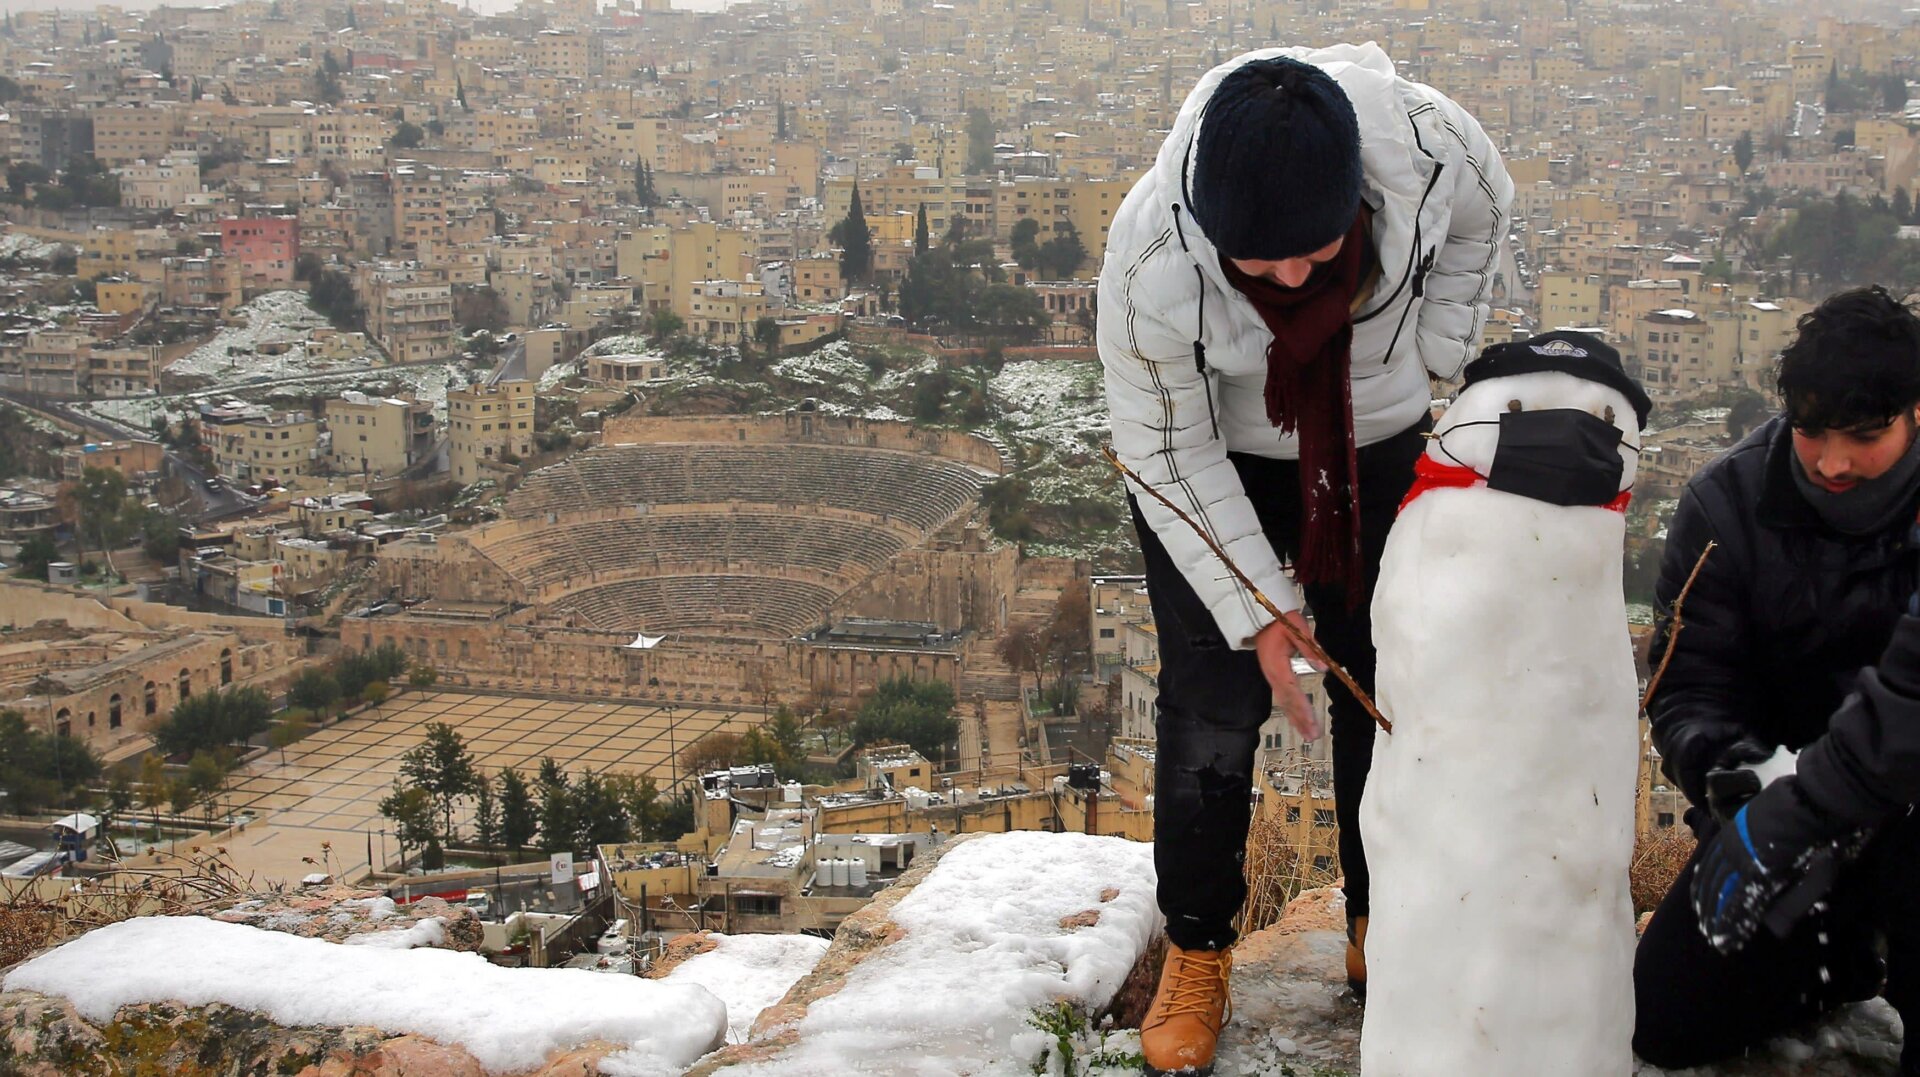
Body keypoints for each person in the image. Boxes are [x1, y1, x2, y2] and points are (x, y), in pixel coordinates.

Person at [1097, 43, 1511, 1075]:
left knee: (1387, 686)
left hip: (1373, 446)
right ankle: (1197, 948)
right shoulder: (1154, 252)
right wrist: (1263, 612)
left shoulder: (1431, 146)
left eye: (1316, 253)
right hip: (1218, 458)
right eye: (1261, 261)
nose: (1291, 278)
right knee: (1210, 704)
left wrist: (1436, 354)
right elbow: (1163, 445)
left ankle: (1383, 926)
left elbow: (1484, 211)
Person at [1634, 286, 1920, 1074]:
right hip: (1782, 825)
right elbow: (1686, 683)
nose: (1832, 461)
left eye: (1864, 436)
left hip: (1902, 814)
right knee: (1668, 1014)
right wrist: (1736, 780)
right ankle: (1834, 966)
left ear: (1916, 414)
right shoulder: (1726, 505)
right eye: (1811, 429)